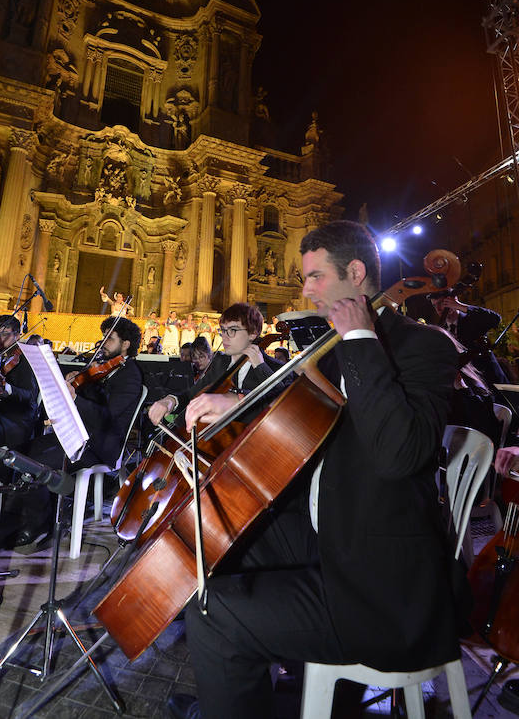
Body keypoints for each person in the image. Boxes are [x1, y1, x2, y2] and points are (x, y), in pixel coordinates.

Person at [167, 220, 461, 719]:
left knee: (212, 614)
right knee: (221, 540)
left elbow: (400, 453)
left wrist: (361, 337)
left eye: (316, 277)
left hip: (381, 586)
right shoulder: (333, 352)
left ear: (355, 272)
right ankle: (233, 691)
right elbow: (297, 415)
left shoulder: (422, 348)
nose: (305, 290)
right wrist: (231, 404)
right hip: (331, 539)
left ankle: (234, 681)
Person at [0, 316, 143, 549]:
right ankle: (25, 512)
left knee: (40, 461)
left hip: (101, 445)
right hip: (77, 434)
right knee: (22, 452)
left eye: (110, 338)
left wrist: (77, 398)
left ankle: (38, 522)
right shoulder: (103, 369)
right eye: (104, 335)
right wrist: (75, 380)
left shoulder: (130, 376)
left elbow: (108, 418)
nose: (103, 342)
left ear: (126, 344)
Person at [149, 303, 287, 431]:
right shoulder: (221, 363)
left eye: (232, 330)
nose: (225, 337)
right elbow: (192, 395)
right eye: (223, 330)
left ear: (253, 333)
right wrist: (170, 401)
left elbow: (280, 407)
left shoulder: (277, 369)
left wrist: (259, 365)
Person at [0, 315, 39, 449]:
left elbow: (30, 395)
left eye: (4, 334)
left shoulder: (25, 359)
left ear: (17, 336)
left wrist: (8, 389)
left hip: (12, 419)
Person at [428, 292, 508, 386]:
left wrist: (460, 306)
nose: (438, 309)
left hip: (491, 379)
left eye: (441, 303)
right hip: (468, 387)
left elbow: (495, 319)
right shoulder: (442, 331)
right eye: (434, 305)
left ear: (453, 301)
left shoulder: (472, 319)